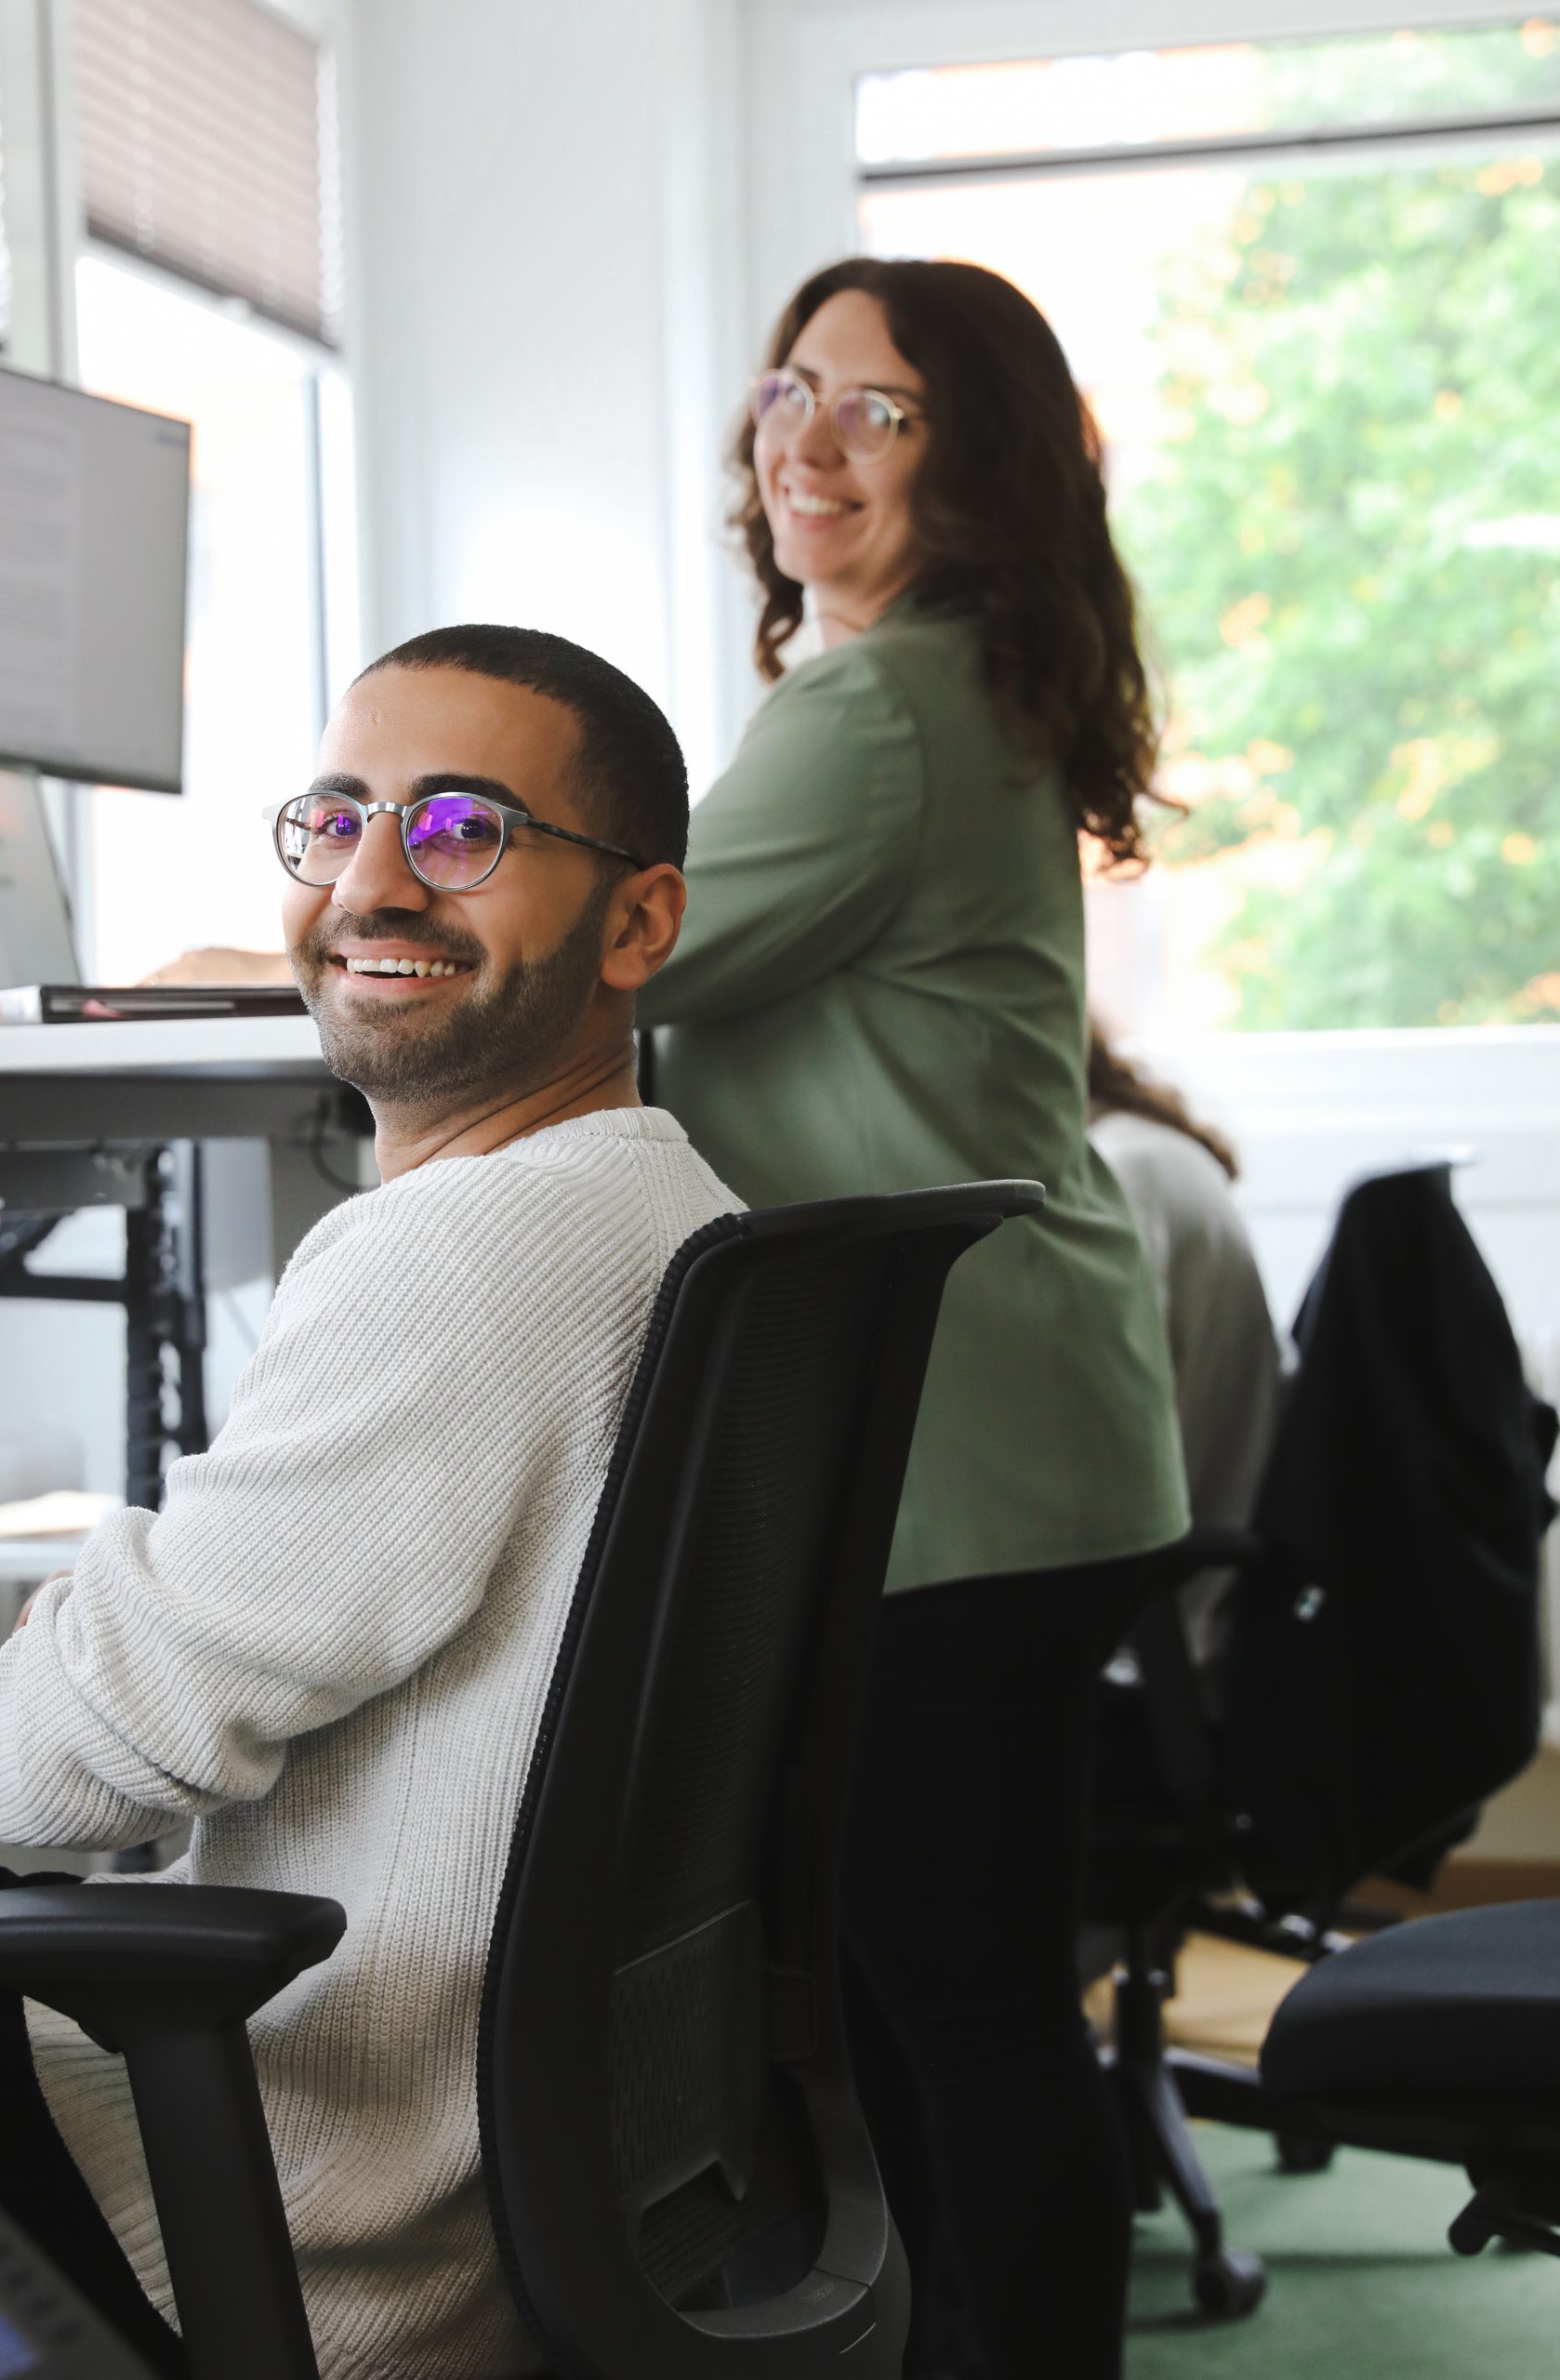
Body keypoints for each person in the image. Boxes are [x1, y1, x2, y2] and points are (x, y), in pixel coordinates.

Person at [0, 624, 738, 2380]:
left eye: (463, 830)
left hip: (323, 2186)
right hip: (542, 2161)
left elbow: (72, 1761)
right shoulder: (654, 1202)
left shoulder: (468, 1250)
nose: (372, 883)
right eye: (335, 820)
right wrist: (57, 1667)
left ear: (637, 922)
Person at [636, 258, 1189, 2380]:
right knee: (933, 2000)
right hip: (1026, 1420)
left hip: (954, 1450)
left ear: (974, 467)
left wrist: (344, 928)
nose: (804, 439)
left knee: (938, 2010)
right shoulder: (962, 682)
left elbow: (626, 942)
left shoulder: (874, 705)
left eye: (875, 410)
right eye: (788, 390)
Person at [1087, 1025, 1283, 1670]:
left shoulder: (1119, 1172)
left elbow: (1108, 1429)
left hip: (1168, 1620)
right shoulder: (1155, 1148)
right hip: (1207, 1568)